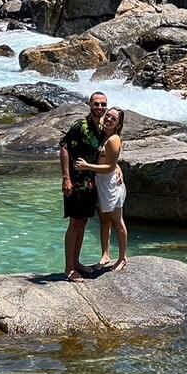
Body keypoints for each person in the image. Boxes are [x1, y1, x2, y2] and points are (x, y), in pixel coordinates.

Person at [59, 91, 107, 281]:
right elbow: (64, 147)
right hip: (76, 182)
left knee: (83, 223)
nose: (100, 108)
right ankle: (69, 268)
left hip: (91, 183)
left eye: (103, 104)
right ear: (89, 104)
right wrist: (66, 178)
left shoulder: (102, 128)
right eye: (96, 104)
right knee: (74, 224)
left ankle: (76, 262)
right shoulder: (80, 126)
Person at [75, 107, 128, 271]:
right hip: (100, 182)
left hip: (111, 185)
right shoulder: (101, 134)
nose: (109, 119)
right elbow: (113, 162)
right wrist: (117, 166)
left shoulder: (113, 139)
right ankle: (105, 254)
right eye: (108, 116)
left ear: (118, 124)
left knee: (117, 221)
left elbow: (110, 166)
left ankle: (122, 258)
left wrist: (86, 166)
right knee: (104, 220)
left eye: (114, 118)